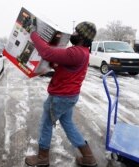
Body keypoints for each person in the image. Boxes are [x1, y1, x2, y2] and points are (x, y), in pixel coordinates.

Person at [25, 21, 97, 167]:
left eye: (76, 32)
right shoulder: (83, 52)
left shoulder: (75, 52)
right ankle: (88, 157)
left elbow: (46, 52)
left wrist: (33, 33)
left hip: (60, 97)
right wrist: (53, 64)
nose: (73, 34)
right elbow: (67, 66)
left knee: (46, 124)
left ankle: (43, 158)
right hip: (69, 96)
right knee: (68, 124)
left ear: (83, 37)